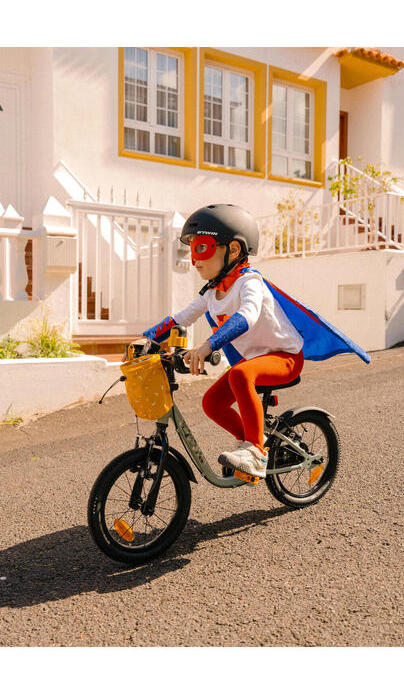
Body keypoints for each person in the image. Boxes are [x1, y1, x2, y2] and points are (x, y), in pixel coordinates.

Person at [143, 204, 370, 480]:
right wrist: (143, 340)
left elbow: (246, 317)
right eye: (191, 249)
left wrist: (208, 345)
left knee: (240, 374)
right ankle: (254, 438)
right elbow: (180, 319)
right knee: (211, 403)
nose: (194, 258)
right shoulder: (212, 292)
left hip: (284, 357)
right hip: (254, 363)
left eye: (202, 247)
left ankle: (256, 452)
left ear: (234, 250)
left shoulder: (250, 283)